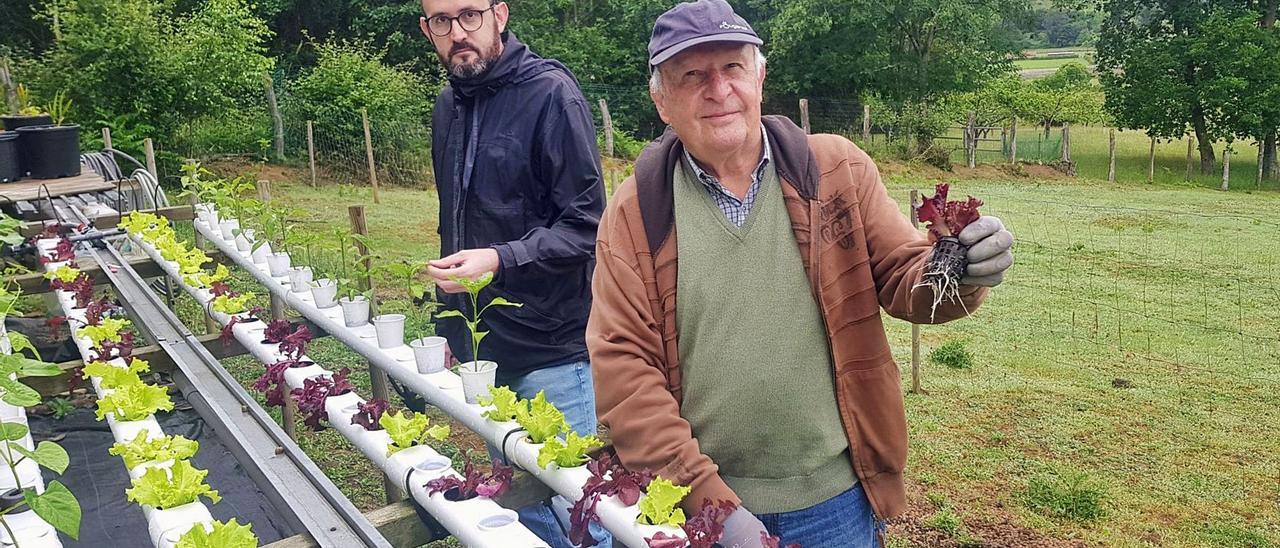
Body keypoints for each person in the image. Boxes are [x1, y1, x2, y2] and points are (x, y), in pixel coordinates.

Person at [586, 1, 1015, 546]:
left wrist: (967, 269)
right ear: (661, 99)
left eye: (732, 68)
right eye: (692, 75)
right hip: (701, 511)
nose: (718, 91)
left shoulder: (836, 170)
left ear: (760, 77)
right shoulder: (636, 212)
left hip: (834, 503)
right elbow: (625, 372)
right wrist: (709, 502)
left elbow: (907, 278)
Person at [406, 1, 610, 546]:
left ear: (500, 13)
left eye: (469, 15)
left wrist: (499, 258)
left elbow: (588, 226)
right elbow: (456, 223)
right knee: (521, 504)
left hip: (551, 349)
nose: (457, 33)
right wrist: (452, 330)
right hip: (484, 349)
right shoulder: (449, 105)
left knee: (579, 515)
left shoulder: (550, 95)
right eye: (441, 22)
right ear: (428, 30)